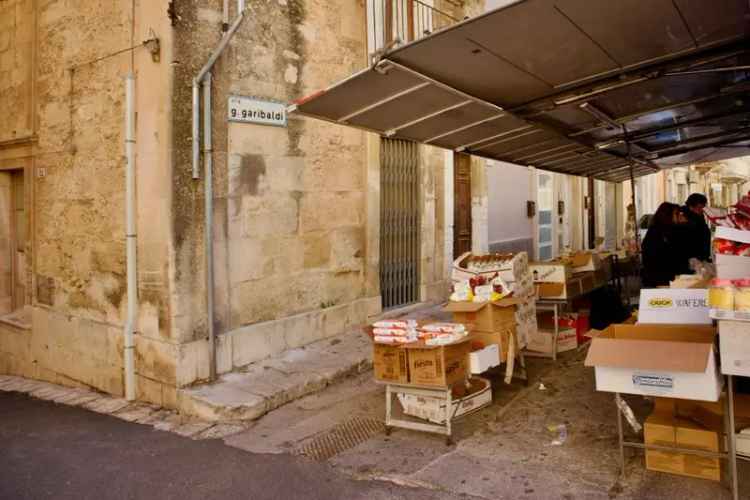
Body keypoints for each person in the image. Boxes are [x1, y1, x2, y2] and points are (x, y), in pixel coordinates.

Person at [641, 202, 689, 288]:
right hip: (659, 281)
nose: (679, 217)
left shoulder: (666, 230)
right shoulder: (656, 233)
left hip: (667, 278)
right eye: (676, 214)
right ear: (667, 215)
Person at [680, 193, 711, 262]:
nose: (702, 210)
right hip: (691, 259)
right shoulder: (685, 219)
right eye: (699, 208)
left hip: (698, 258)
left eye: (703, 207)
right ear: (691, 207)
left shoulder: (698, 217)